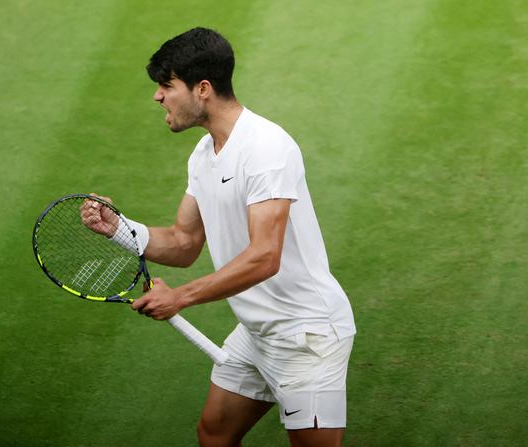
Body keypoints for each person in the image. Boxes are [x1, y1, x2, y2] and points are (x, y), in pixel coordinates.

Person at [81, 27, 356, 447]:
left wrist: (182, 297)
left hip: (306, 337)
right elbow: (183, 242)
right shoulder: (204, 154)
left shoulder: (265, 148)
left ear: (202, 89)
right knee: (214, 435)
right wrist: (118, 228)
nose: (158, 96)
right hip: (257, 331)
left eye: (166, 85)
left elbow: (266, 257)